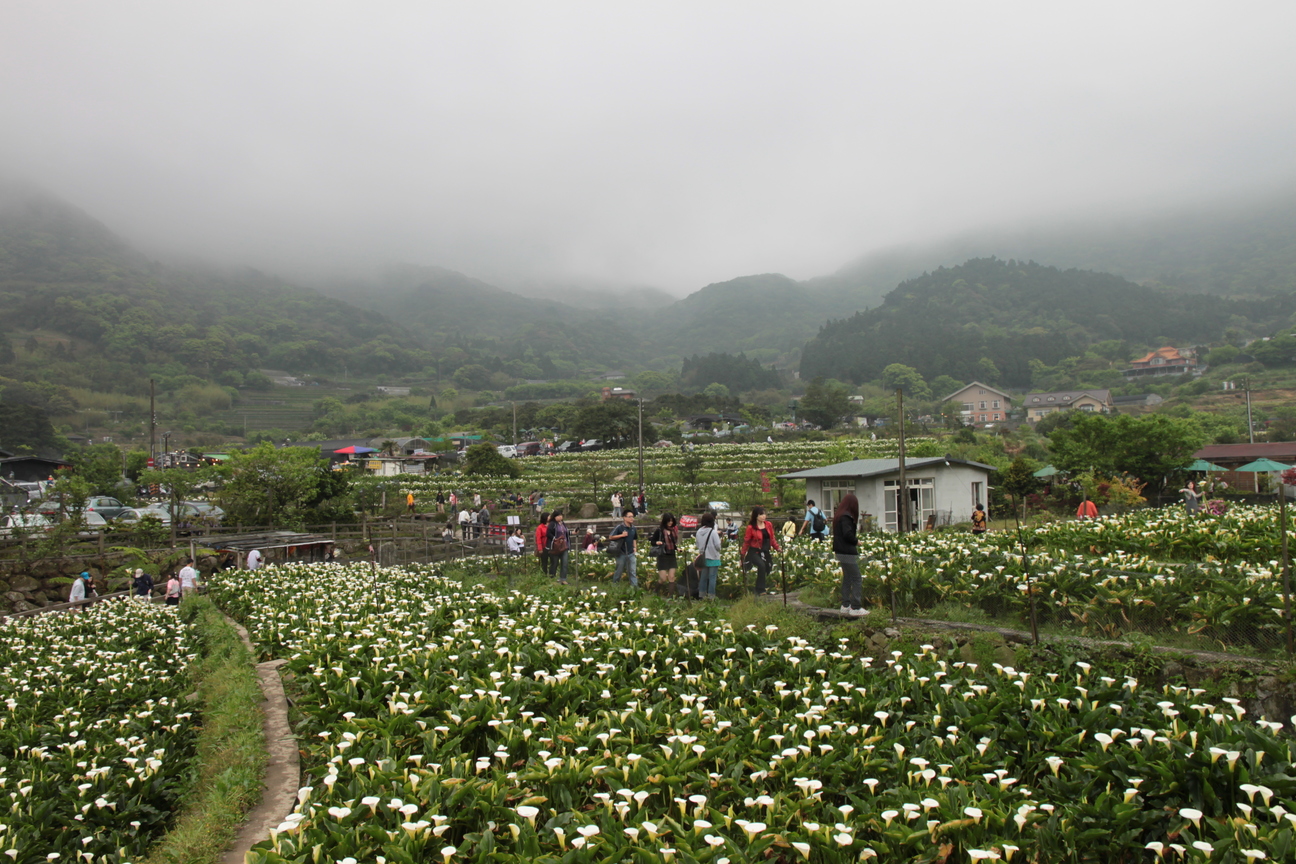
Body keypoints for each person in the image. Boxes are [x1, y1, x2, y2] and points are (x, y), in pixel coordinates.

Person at [833, 493, 864, 616]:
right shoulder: (846, 517)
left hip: (840, 551)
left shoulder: (839, 515)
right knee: (857, 578)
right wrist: (856, 541)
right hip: (847, 551)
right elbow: (847, 534)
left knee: (847, 578)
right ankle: (855, 607)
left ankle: (845, 605)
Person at [741, 506, 780, 596]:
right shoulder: (751, 528)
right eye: (761, 514)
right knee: (761, 565)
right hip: (754, 552)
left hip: (765, 551)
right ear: (756, 516)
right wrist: (742, 555)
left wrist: (777, 548)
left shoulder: (768, 525)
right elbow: (746, 542)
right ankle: (760, 590)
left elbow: (772, 538)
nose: (763, 516)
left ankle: (759, 587)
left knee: (767, 567)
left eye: (764, 514)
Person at [695, 510, 723, 600]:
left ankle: (701, 595)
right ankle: (711, 597)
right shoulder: (713, 532)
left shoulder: (699, 531)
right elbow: (718, 546)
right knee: (712, 577)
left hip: (704, 557)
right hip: (713, 557)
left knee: (703, 577)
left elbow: (697, 544)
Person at [608, 509, 638, 588]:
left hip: (631, 553)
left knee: (632, 571)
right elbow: (611, 537)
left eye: (632, 517)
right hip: (621, 553)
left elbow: (635, 538)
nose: (632, 518)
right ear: (624, 518)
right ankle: (615, 585)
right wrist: (621, 535)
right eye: (630, 517)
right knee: (619, 571)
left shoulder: (633, 528)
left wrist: (635, 547)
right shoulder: (619, 527)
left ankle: (634, 587)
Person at [651, 512, 679, 594]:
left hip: (671, 555)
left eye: (671, 521)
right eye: (668, 521)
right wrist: (657, 542)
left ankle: (671, 597)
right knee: (663, 578)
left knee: (671, 577)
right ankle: (655, 591)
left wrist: (677, 548)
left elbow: (673, 544)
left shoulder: (673, 531)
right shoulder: (659, 531)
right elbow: (652, 541)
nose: (670, 523)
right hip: (662, 556)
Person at [547, 511, 570, 584]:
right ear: (555, 517)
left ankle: (563, 579)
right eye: (558, 516)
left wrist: (573, 532)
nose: (560, 517)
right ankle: (552, 577)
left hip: (564, 546)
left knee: (565, 562)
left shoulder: (563, 524)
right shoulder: (552, 524)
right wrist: (555, 539)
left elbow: (566, 532)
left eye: (561, 515)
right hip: (555, 547)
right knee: (554, 563)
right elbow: (548, 533)